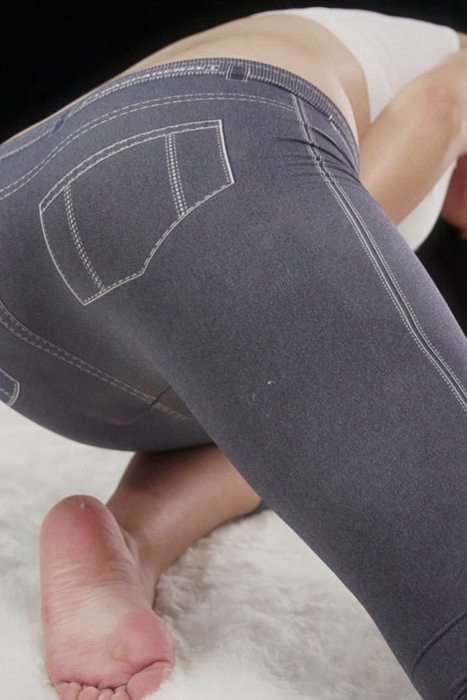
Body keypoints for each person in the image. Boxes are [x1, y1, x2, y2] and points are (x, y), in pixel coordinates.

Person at [2, 7, 467, 699]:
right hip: (184, 151)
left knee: (284, 412)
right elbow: (436, 110)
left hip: (26, 261)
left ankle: (127, 541)